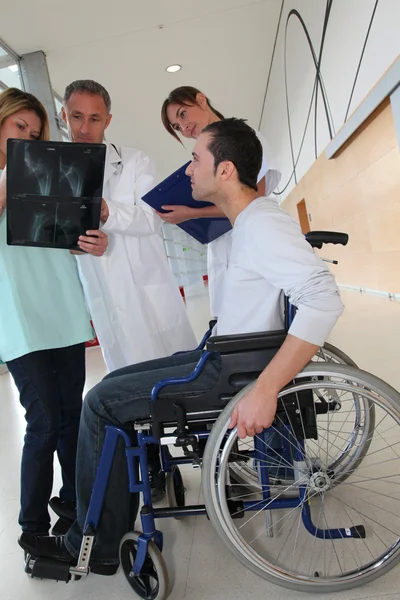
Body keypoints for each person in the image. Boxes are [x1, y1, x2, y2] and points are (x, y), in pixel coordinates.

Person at [19, 118, 344, 572]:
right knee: (112, 384)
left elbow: (323, 299)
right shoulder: (245, 222)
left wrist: (266, 390)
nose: (188, 171)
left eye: (196, 159)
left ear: (225, 170)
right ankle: (103, 530)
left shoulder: (263, 225)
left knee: (100, 403)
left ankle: (90, 546)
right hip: (224, 356)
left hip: (232, 371)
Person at [0, 88, 108, 545]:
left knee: (69, 418)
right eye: (20, 127)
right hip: (20, 319)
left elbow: (65, 238)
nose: (28, 136)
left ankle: (72, 503)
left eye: (36, 131)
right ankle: (32, 530)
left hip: (61, 309)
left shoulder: (47, 176)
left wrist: (92, 235)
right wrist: (13, 178)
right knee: (42, 422)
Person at [62, 80, 196, 372]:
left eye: (94, 118)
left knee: (178, 379)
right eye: (76, 117)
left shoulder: (135, 162)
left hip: (148, 295)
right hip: (107, 302)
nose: (85, 128)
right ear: (64, 115)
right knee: (129, 389)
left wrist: (107, 211)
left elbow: (151, 219)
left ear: (107, 120)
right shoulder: (57, 173)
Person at [160, 86, 281, 317]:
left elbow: (254, 198)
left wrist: (191, 213)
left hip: (252, 239)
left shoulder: (245, 139)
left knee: (256, 318)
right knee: (229, 319)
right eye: (176, 126)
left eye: (183, 114)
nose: (183, 127)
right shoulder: (203, 157)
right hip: (222, 242)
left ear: (202, 100)